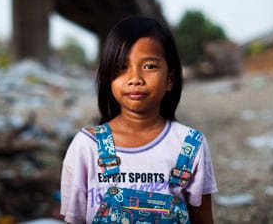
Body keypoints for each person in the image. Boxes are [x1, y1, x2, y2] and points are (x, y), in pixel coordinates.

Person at [60, 16, 218, 223]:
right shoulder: (87, 146)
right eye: (122, 67)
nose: (135, 78)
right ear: (108, 77)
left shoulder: (190, 145)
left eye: (149, 66)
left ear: (170, 79)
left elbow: (202, 219)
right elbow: (74, 219)